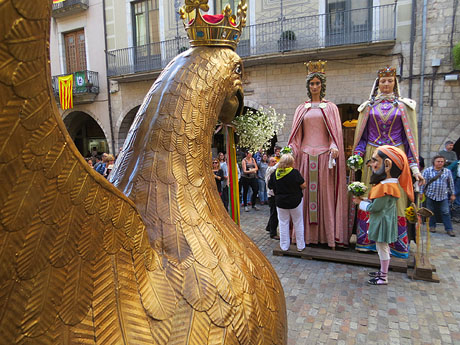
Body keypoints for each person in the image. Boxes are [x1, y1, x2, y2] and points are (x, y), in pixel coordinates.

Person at [353, 66, 424, 258]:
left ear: (395, 83)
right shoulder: (368, 107)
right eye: (383, 81)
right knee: (372, 194)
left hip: (396, 157)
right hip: (373, 155)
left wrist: (415, 167)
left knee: (396, 199)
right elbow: (362, 137)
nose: (386, 84)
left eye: (389, 81)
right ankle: (366, 240)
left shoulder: (403, 107)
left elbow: (409, 141)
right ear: (378, 83)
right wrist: (357, 156)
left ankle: (396, 243)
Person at [288, 60, 348, 249]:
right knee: (303, 197)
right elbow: (296, 138)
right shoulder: (301, 109)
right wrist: (290, 150)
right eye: (311, 83)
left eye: (317, 83)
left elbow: (334, 134)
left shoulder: (331, 108)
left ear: (322, 85)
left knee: (326, 198)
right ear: (308, 86)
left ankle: (328, 236)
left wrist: (333, 146)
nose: (314, 86)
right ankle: (302, 236)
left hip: (324, 158)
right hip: (305, 157)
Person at [353, 145, 413, 285]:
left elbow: (376, 207)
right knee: (382, 248)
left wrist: (359, 203)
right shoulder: (388, 185)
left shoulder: (386, 187)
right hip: (383, 220)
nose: (372, 165)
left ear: (387, 165)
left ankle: (383, 276)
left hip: (382, 222)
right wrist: (364, 200)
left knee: (383, 248)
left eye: (375, 161)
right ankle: (382, 272)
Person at [268, 154, 307, 251]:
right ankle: (300, 246)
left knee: (283, 223)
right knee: (298, 222)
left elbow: (270, 186)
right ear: (290, 163)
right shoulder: (295, 173)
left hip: (281, 202)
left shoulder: (275, 174)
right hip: (295, 201)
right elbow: (303, 186)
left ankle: (284, 246)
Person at [420, 155, 456, 237]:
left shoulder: (447, 171)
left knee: (446, 212)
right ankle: (432, 226)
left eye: (442, 161)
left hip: (443, 196)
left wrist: (453, 194)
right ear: (434, 162)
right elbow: (423, 183)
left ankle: (449, 229)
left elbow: (451, 183)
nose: (440, 163)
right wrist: (421, 193)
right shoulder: (427, 171)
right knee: (430, 212)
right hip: (430, 195)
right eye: (438, 161)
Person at [265, 156, 279, 239]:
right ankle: (273, 233)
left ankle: (269, 227)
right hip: (271, 195)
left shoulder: (272, 170)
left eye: (275, 161)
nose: (275, 163)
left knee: (273, 212)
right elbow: (275, 167)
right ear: (269, 163)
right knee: (274, 214)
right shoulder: (269, 170)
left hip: (272, 194)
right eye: (273, 161)